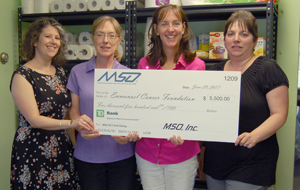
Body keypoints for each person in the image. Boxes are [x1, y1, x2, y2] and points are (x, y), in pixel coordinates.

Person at [203, 10, 289, 190]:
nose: (236, 39)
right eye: (231, 34)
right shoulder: (214, 73)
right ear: (224, 40)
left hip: (252, 161)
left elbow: (279, 114)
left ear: (254, 40)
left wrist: (254, 136)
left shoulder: (268, 69)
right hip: (216, 162)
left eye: (244, 34)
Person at [10, 17, 94, 190]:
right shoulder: (23, 76)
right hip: (33, 149)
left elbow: (68, 111)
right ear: (34, 40)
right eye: (48, 36)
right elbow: (34, 119)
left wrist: (75, 147)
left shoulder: (62, 74)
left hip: (61, 147)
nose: (53, 42)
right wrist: (71, 123)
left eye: (57, 38)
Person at [135, 4, 205, 190]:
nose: (170, 29)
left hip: (181, 153)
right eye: (164, 24)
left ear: (183, 28)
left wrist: (189, 132)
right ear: (156, 29)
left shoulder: (197, 66)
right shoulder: (144, 64)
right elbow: (139, 106)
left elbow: (200, 111)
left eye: (175, 23)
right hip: (148, 153)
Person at [66, 16, 137, 190]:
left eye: (111, 36)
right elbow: (74, 111)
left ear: (119, 40)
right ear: (93, 38)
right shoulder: (78, 72)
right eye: (100, 35)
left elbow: (134, 115)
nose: (105, 40)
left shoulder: (129, 75)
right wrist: (79, 125)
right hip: (88, 156)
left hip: (122, 156)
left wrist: (129, 133)